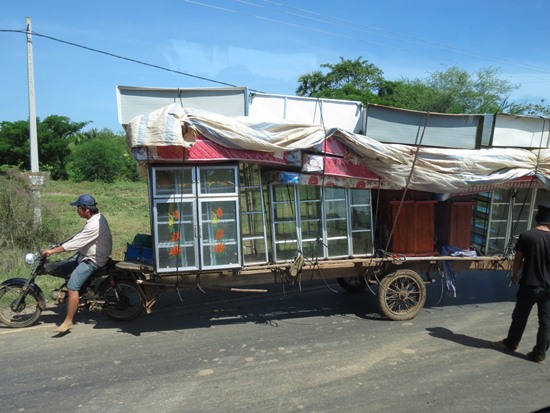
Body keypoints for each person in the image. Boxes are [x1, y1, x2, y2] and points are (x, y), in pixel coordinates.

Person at [42, 194, 112, 333]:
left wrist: (52, 251)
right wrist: (61, 244)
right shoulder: (96, 218)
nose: (76, 210)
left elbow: (75, 243)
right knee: (64, 265)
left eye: (78, 207)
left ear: (86, 209)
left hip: (93, 260)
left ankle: (68, 322)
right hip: (86, 254)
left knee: (72, 287)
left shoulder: (94, 225)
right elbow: (79, 236)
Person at [491, 202, 550, 364]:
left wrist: (514, 274)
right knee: (546, 321)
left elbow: (518, 259)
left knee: (520, 316)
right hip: (548, 287)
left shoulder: (527, 235)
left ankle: (512, 343)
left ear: (539, 218)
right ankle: (539, 354)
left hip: (530, 284)